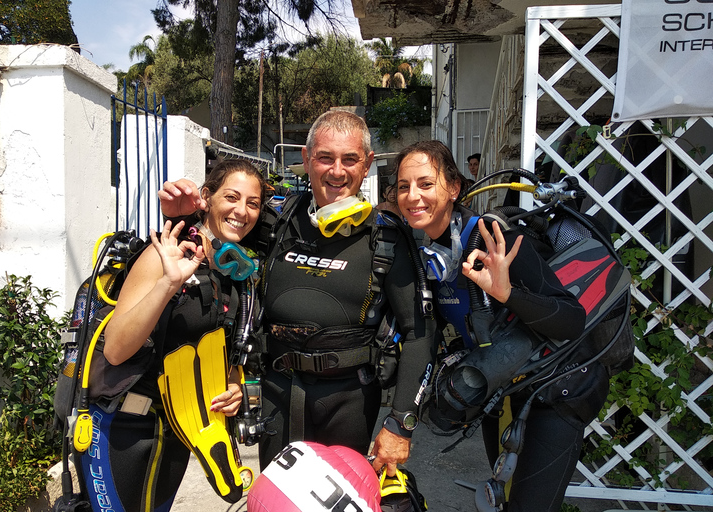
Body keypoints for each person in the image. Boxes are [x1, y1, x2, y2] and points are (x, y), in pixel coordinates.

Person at [159, 110, 436, 478]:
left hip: (350, 400)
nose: (337, 171)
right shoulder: (278, 220)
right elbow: (218, 229)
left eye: (350, 159)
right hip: (277, 397)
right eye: (325, 158)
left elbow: (420, 331)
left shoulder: (386, 238)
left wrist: (401, 422)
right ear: (306, 160)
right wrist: (188, 211)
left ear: (367, 163)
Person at [394, 140, 611, 512]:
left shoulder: (498, 239)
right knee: (504, 502)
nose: (413, 196)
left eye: (426, 184)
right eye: (403, 186)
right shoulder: (428, 254)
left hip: (558, 389)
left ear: (455, 187)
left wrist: (508, 293)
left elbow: (572, 320)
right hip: (500, 389)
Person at [75, 160, 267, 512]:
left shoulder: (234, 272)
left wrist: (235, 387)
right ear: (206, 197)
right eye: (232, 197)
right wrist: (168, 284)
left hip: (177, 430)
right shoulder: (164, 254)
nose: (242, 211)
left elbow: (226, 353)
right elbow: (116, 350)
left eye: (253, 203)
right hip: (122, 428)